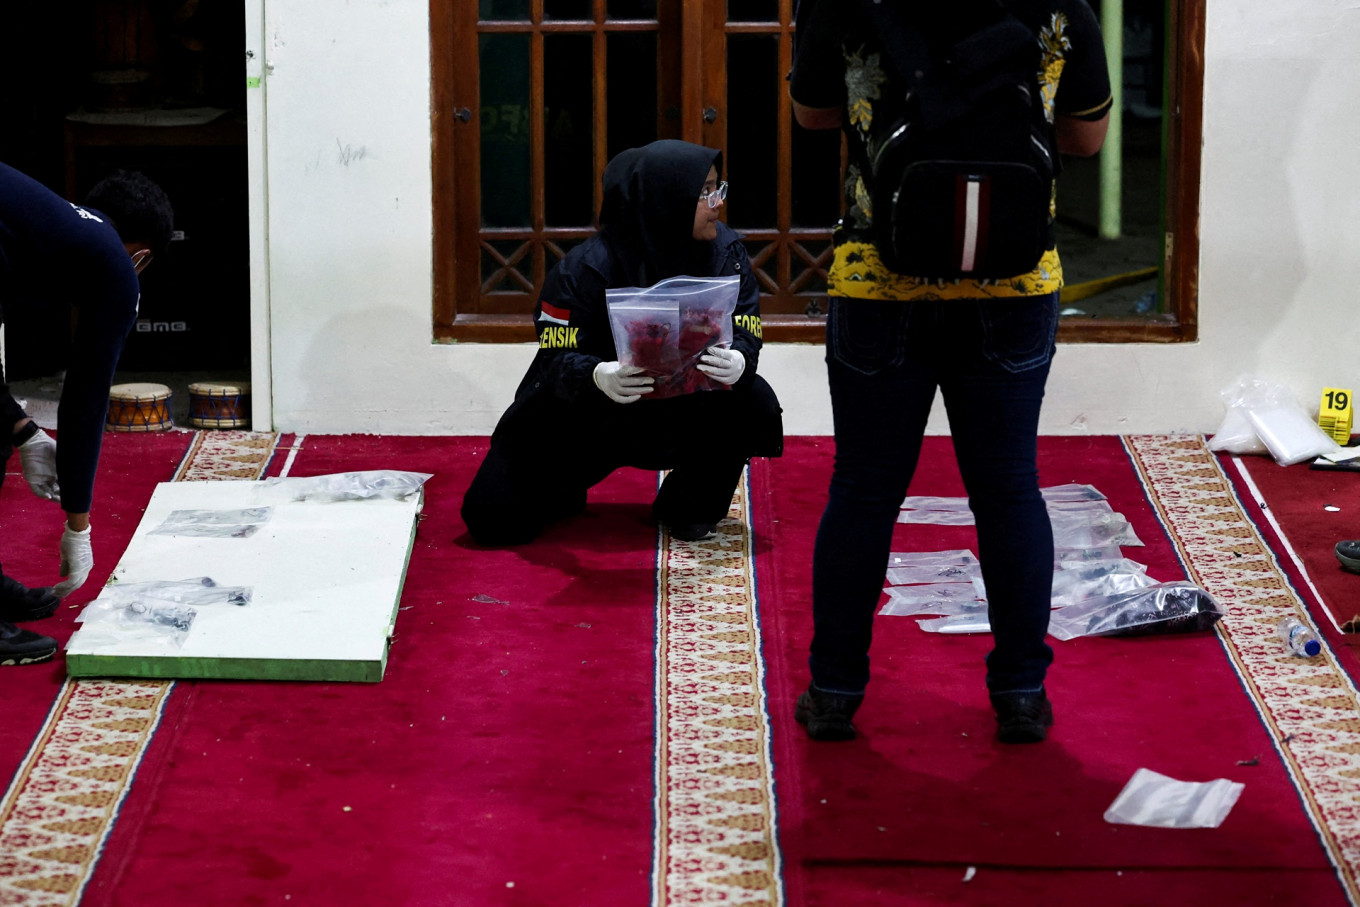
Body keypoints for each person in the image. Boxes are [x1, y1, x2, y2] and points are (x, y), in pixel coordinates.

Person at [788, 0, 1112, 742]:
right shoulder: (1063, 4)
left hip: (879, 275)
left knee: (864, 490)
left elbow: (814, 116)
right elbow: (1084, 136)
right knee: (1007, 491)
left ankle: (836, 689)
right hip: (1015, 279)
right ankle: (1021, 691)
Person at [462, 139, 783, 547]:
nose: (717, 202)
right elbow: (555, 352)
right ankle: (560, 487)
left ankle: (690, 503)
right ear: (665, 198)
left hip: (688, 409)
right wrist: (596, 374)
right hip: (596, 413)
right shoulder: (587, 267)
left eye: (718, 188)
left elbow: (747, 324)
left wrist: (741, 356)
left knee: (752, 397)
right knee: (491, 519)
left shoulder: (725, 252)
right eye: (704, 192)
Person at [0, 162, 173, 665]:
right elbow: (87, 398)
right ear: (140, 257)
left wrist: (22, 431)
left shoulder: (35, 225)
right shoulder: (115, 267)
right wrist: (79, 525)